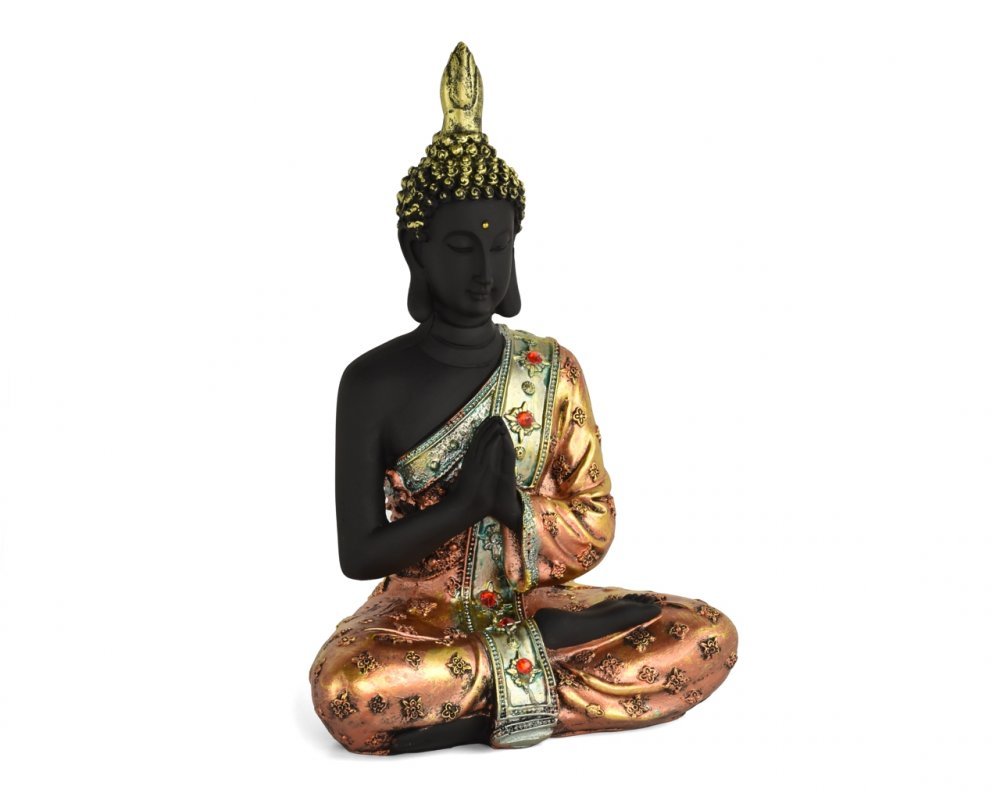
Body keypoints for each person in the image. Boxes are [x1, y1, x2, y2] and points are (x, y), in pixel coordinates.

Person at [309, 43, 737, 755]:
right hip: (420, 622)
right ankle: (543, 677)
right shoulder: (370, 382)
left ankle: (462, 715)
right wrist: (464, 506)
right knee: (346, 686)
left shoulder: (550, 368)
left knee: (706, 634)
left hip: (529, 600)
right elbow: (359, 554)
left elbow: (594, 519)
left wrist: (511, 508)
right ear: (415, 252)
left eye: (498, 246)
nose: (484, 269)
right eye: (460, 248)